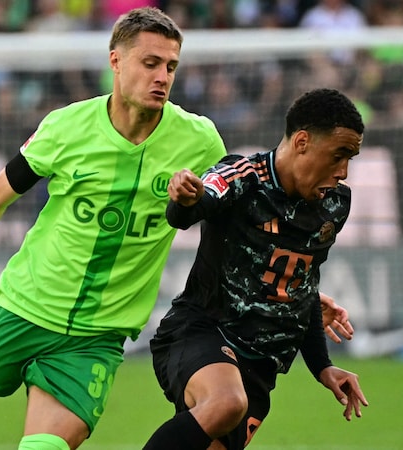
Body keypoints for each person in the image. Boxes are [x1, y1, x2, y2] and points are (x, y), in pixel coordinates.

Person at [0, 7, 228, 450]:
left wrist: (299, 288)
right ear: (116, 62)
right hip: (21, 309)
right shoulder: (67, 127)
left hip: (95, 337)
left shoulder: (200, 141)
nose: (162, 76)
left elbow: (237, 223)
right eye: (150, 63)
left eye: (170, 66)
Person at [143, 88, 369, 450]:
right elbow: (194, 205)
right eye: (338, 155)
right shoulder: (242, 176)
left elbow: (303, 286)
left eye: (351, 159)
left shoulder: (333, 206)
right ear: (302, 142)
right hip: (202, 331)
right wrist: (185, 199)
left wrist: (322, 366)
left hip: (260, 368)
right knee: (226, 403)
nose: (343, 171)